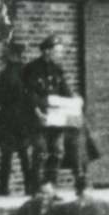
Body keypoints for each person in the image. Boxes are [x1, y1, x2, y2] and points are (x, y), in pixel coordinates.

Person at [24, 35, 80, 188]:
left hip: (55, 118)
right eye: (57, 51)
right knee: (40, 151)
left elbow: (65, 90)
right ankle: (35, 189)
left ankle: (50, 187)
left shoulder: (57, 70)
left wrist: (74, 99)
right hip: (38, 117)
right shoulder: (32, 69)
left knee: (57, 151)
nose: (60, 54)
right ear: (47, 51)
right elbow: (29, 94)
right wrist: (37, 112)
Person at [0, 40, 39, 197]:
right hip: (24, 118)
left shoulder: (6, 74)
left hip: (8, 117)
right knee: (24, 153)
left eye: (6, 53)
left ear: (11, 55)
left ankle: (3, 187)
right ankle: (29, 186)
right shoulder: (28, 72)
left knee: (6, 153)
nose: (3, 55)